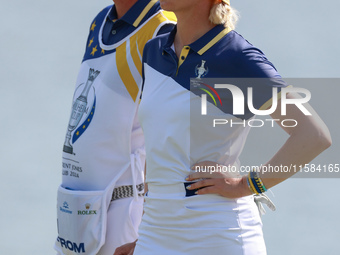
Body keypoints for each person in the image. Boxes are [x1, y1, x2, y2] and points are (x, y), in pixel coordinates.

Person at [114, 0, 332, 254]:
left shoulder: (237, 57)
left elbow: (314, 135)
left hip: (219, 234)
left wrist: (246, 185)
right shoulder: (154, 50)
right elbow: (159, 145)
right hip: (155, 233)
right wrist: (143, 236)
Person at [54, 1, 176, 254]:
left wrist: (154, 228)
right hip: (76, 210)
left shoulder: (162, 27)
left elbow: (178, 127)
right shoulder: (101, 19)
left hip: (124, 213)